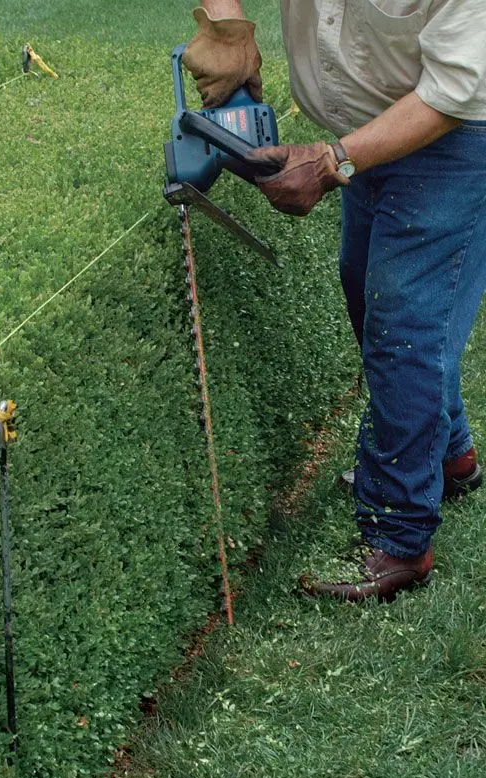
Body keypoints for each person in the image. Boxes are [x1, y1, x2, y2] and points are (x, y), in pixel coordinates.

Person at [184, 0, 486, 601]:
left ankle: (399, 538)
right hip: (371, 131)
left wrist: (331, 161)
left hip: (454, 137)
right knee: (369, 297)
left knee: (405, 327)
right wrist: (227, 27)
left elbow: (453, 89)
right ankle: (451, 460)